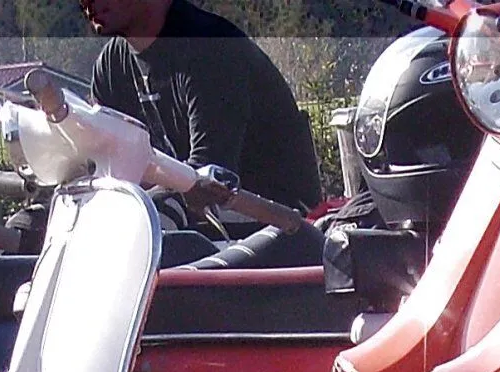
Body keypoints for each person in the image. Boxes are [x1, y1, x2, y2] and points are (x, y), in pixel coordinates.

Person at [82, 0, 322, 213]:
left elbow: (208, 184)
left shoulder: (211, 47)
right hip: (206, 225)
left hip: (279, 222)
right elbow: (105, 170)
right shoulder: (111, 66)